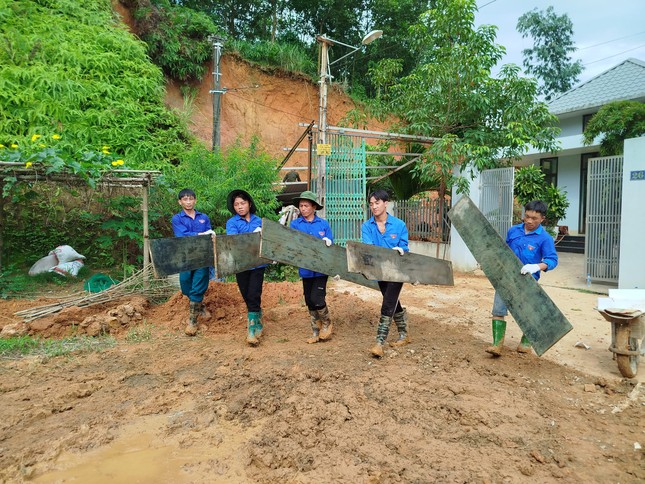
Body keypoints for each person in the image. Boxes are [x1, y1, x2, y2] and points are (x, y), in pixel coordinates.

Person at [487, 200, 558, 356]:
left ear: (542, 219)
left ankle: (526, 342)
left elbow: (552, 260)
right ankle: (496, 345)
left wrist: (537, 266)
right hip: (506, 277)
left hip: (528, 281)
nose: (529, 221)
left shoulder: (545, 239)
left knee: (528, 313)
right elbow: (503, 251)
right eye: (527, 217)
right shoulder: (513, 231)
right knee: (498, 309)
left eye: (534, 218)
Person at [362, 189, 410, 357]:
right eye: (371, 204)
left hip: (397, 270)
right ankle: (404, 333)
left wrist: (400, 250)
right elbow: (369, 248)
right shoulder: (367, 226)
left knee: (388, 303)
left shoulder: (399, 225)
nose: (374, 207)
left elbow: (404, 247)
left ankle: (379, 342)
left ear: (385, 203)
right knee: (393, 301)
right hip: (379, 271)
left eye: (377, 203)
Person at [290, 190, 334, 343]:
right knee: (309, 300)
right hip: (305, 268)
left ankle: (327, 324)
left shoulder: (323, 224)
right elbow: (292, 243)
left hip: (321, 269)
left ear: (314, 207)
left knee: (317, 298)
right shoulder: (295, 224)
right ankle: (315, 330)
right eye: (301, 206)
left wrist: (328, 241)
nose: (303, 209)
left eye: (306, 206)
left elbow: (330, 244)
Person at [226, 189, 267, 346]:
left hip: (258, 263)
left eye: (243, 203)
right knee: (246, 294)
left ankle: (251, 331)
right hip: (241, 264)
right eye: (236, 204)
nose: (240, 207)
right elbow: (235, 241)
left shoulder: (259, 221)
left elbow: (268, 240)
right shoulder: (232, 223)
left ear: (249, 204)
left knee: (254, 293)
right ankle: (257, 317)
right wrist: (254, 236)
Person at [171, 188, 214, 336]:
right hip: (185, 256)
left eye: (191, 199)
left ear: (195, 200)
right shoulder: (177, 219)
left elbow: (209, 234)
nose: (188, 202)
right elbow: (181, 235)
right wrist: (201, 234)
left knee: (199, 283)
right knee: (185, 284)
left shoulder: (204, 217)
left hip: (202, 256)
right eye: (185, 199)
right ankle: (199, 304)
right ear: (180, 202)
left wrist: (210, 236)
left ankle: (192, 321)